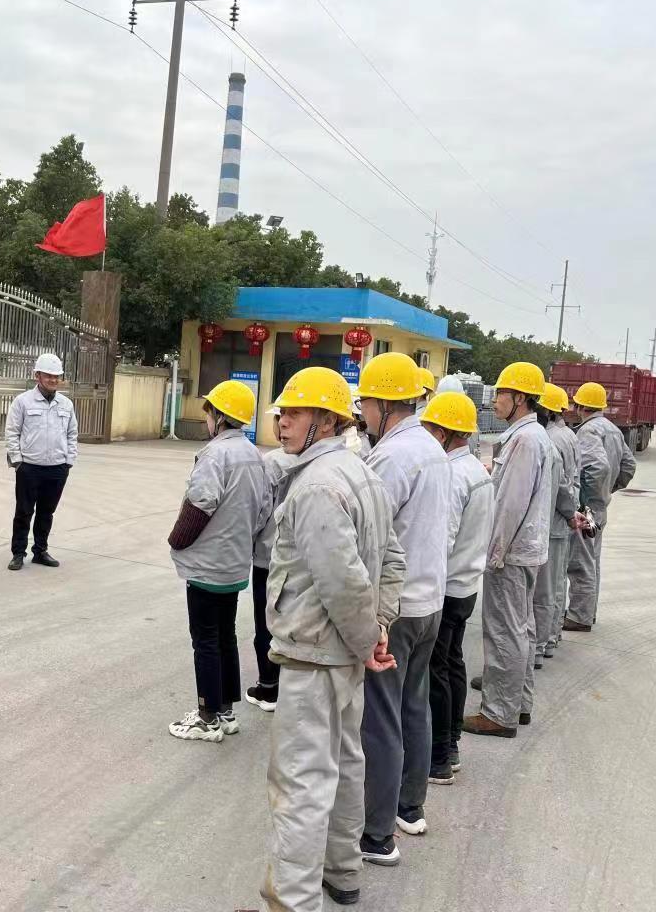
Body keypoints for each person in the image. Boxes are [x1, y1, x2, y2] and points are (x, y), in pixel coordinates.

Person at [260, 367, 405, 912]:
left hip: (315, 655)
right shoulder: (361, 474)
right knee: (345, 766)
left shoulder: (319, 486)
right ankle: (342, 872)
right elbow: (392, 563)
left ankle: (293, 901)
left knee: (300, 785)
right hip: (342, 652)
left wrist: (369, 639)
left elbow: (344, 583)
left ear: (325, 420)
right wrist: (377, 632)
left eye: (295, 412)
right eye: (283, 411)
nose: (282, 421)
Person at [351, 353, 449, 862]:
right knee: (414, 705)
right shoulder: (431, 446)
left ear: (385, 404)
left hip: (398, 607)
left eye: (367, 402)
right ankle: (410, 807)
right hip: (429, 600)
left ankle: (376, 833)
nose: (363, 413)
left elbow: (368, 535)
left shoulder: (392, 458)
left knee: (381, 718)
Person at [166, 381, 269, 742]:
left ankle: (207, 716)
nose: (207, 418)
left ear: (220, 416)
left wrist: (177, 540)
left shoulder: (215, 454)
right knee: (226, 635)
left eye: (209, 412)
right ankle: (226, 711)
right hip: (235, 564)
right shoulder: (254, 454)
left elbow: (200, 503)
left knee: (205, 640)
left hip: (208, 566)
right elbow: (264, 511)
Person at [462, 362, 553, 738]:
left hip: (511, 552)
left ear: (520, 398)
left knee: (504, 632)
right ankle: (518, 703)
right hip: (524, 549)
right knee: (521, 629)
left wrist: (494, 554)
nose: (495, 399)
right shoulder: (531, 435)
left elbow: (510, 505)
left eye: (501, 393)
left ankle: (499, 714)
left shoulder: (525, 441)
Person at [422, 391, 494, 783]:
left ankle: (438, 757)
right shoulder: (478, 472)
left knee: (436, 671)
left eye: (431, 429)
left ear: (445, 433)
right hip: (466, 585)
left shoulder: (451, 476)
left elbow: (442, 539)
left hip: (446, 586)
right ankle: (450, 745)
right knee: (453, 664)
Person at [563, 382, 636, 632]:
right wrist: (608, 490)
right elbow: (628, 466)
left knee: (580, 563)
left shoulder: (588, 431)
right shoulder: (613, 430)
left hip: (588, 509)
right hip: (599, 508)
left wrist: (585, 500)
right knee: (592, 561)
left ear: (580, 406)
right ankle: (587, 612)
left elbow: (597, 467)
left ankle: (579, 616)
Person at [5, 353, 78, 571]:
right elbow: (12, 432)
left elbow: (72, 434)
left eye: (56, 376)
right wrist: (18, 461)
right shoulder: (23, 401)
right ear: (37, 376)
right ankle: (18, 553)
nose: (53, 380)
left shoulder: (66, 404)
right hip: (29, 467)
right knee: (24, 512)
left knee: (47, 513)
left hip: (57, 468)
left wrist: (68, 461)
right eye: (48, 375)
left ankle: (40, 551)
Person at [247, 407, 297, 713]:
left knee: (266, 623)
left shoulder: (273, 462)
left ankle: (268, 686)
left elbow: (260, 509)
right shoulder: (315, 461)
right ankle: (287, 685)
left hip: (268, 556)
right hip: (298, 559)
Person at [533, 384, 584, 665]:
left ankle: (539, 645)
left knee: (544, 590)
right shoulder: (569, 435)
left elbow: (560, 484)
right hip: (563, 519)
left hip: (554, 521)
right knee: (556, 584)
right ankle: (551, 637)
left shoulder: (550, 439)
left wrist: (567, 511)